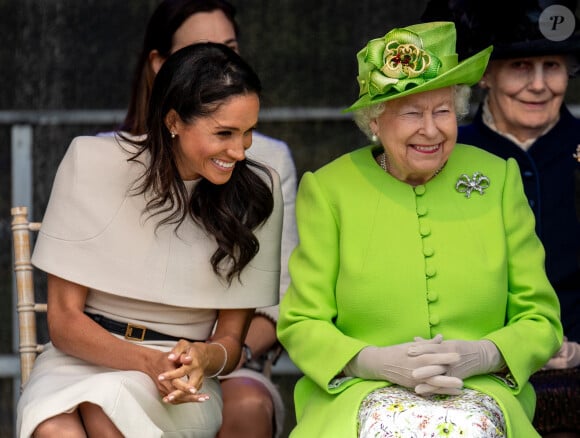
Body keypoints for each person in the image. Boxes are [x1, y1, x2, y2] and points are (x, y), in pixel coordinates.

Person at [277, 21, 563, 437]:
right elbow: (301, 323)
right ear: (374, 122)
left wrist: (483, 354)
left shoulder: (497, 178)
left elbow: (542, 318)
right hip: (359, 393)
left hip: (479, 391)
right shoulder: (329, 190)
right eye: (412, 113)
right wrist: (372, 360)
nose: (430, 130)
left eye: (442, 111)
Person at [16, 42, 283, 437]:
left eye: (247, 133)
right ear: (173, 121)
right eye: (224, 132)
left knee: (102, 410)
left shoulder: (256, 194)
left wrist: (201, 359)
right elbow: (64, 322)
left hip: (181, 377)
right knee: (57, 429)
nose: (239, 152)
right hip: (78, 359)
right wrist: (146, 363)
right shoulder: (90, 160)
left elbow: (229, 340)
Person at [119, 2, 298, 435]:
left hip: (230, 356)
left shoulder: (267, 162)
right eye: (202, 49)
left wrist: (217, 356)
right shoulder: (114, 158)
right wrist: (155, 360)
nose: (223, 63)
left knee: (246, 402)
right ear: (160, 65)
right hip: (126, 354)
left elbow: (278, 294)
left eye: (231, 47)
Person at [421, 1, 580, 436]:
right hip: (472, 356)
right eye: (520, 67)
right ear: (486, 74)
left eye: (553, 65)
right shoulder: (442, 152)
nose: (539, 85)